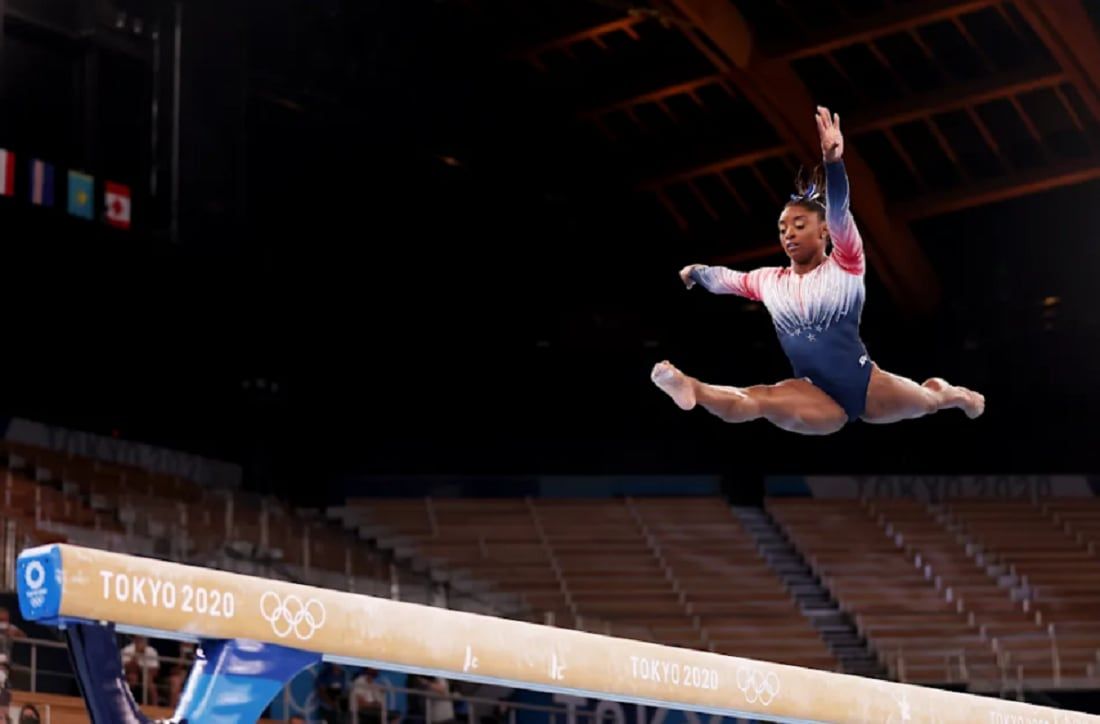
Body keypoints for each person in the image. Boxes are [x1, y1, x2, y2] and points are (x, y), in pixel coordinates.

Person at [652, 105, 984, 434]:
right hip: (812, 392)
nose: (789, 234)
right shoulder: (769, 281)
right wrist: (696, 272)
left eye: (798, 225)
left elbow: (838, 210)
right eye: (783, 229)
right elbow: (725, 279)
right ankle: (691, 387)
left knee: (928, 401)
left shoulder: (847, 263)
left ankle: (955, 394)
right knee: (759, 399)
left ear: (823, 231)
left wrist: (833, 163)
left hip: (867, 385)